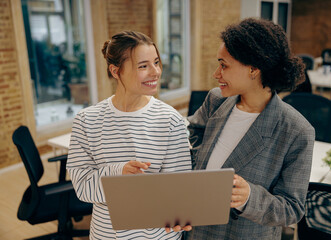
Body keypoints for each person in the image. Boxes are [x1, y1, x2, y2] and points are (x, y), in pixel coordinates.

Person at [184, 18, 315, 239]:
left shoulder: (296, 131)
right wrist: (200, 169)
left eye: (224, 65)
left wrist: (249, 198)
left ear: (254, 69)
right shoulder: (216, 100)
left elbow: (292, 209)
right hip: (196, 230)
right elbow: (193, 134)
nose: (217, 74)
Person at [66, 31, 192, 240]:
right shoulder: (86, 120)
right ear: (116, 71)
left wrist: (180, 213)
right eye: (143, 66)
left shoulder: (171, 120)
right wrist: (119, 173)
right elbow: (82, 187)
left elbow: (179, 191)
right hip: (107, 235)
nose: (155, 72)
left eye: (156, 62)